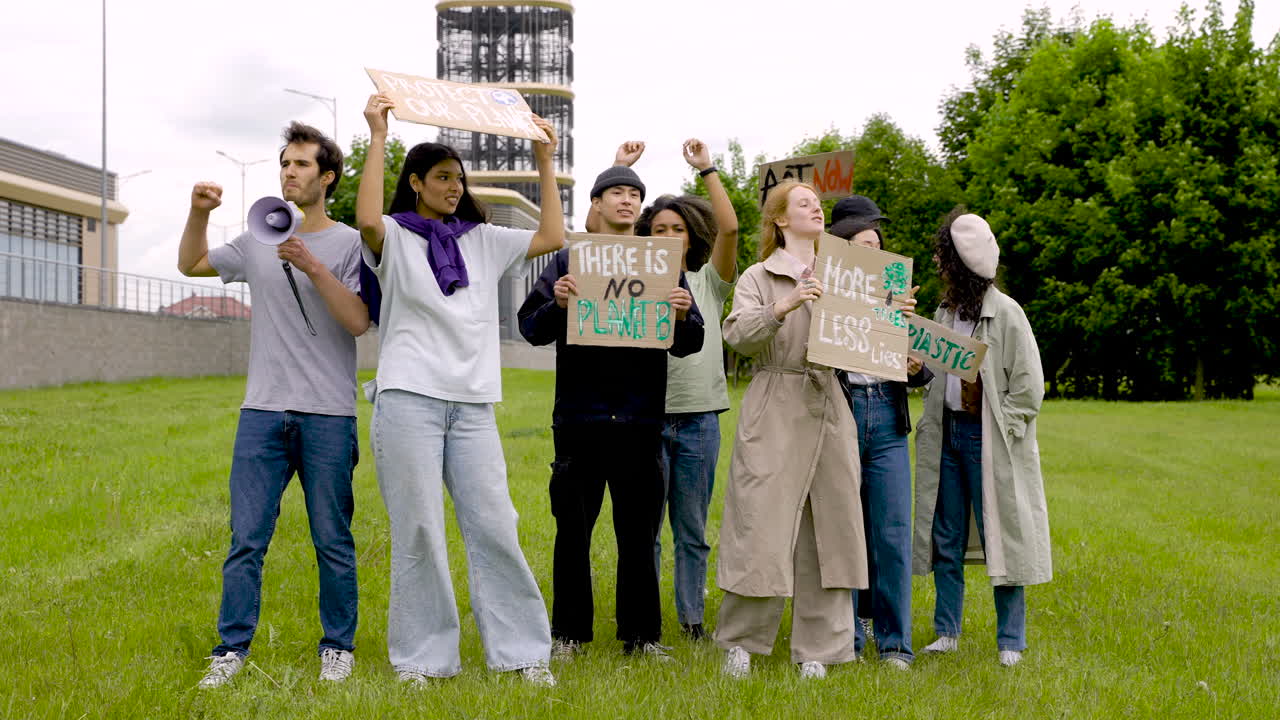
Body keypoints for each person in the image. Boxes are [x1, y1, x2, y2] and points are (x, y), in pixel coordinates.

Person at [356, 94, 565, 686]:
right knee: (419, 529)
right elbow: (367, 218)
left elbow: (551, 235)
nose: (455, 186)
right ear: (416, 183)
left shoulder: (483, 238)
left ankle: (524, 654)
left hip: (473, 407)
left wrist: (543, 158)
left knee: (495, 524)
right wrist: (377, 134)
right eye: (443, 177)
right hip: (408, 400)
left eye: (459, 178)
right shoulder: (394, 237)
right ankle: (423, 660)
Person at [179, 122, 369, 688]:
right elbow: (191, 265)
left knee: (332, 539)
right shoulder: (256, 237)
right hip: (261, 411)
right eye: (284, 163)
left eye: (302, 164)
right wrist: (198, 212)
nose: (289, 171)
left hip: (328, 414)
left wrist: (311, 265)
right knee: (246, 541)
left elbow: (359, 321)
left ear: (327, 176)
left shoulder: (352, 243)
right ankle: (230, 650)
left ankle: (338, 647)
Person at [518, 163, 705, 662]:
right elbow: (530, 328)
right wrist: (557, 305)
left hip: (642, 418)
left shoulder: (664, 263)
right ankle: (569, 636)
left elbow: (691, 342)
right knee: (572, 531)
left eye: (635, 194)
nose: (627, 200)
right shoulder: (567, 260)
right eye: (616, 192)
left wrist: (684, 315)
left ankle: (641, 638)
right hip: (579, 417)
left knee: (639, 535)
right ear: (596, 203)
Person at [714, 180, 867, 680]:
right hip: (775, 401)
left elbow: (869, 346)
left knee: (830, 527)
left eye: (818, 204)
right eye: (803, 204)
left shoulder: (847, 275)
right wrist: (786, 305)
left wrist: (892, 317)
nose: (816, 209)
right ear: (780, 219)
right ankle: (740, 643)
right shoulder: (759, 276)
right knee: (759, 524)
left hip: (828, 403)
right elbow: (736, 335)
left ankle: (820, 650)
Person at [912, 211, 1052, 667]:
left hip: (984, 438)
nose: (937, 264)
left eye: (943, 257)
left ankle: (1011, 641)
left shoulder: (1007, 313)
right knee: (945, 535)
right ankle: (946, 631)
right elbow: (931, 371)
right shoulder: (943, 312)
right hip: (948, 435)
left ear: (961, 263)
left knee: (1002, 535)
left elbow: (1030, 388)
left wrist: (1001, 426)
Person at [633, 139, 738, 640]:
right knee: (646, 531)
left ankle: (692, 621)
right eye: (658, 230)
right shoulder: (630, 276)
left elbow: (732, 227)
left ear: (691, 235)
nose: (668, 235)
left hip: (700, 419)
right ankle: (646, 621)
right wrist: (620, 172)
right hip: (647, 417)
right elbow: (594, 239)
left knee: (691, 532)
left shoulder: (708, 280)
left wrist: (708, 170)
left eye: (676, 229)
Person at [828, 197, 931, 670]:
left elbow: (921, 368)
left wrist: (914, 366)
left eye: (878, 243)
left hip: (887, 418)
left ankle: (895, 646)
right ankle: (846, 638)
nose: (874, 249)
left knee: (891, 536)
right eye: (863, 243)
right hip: (842, 413)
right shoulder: (823, 293)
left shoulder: (898, 298)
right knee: (845, 534)